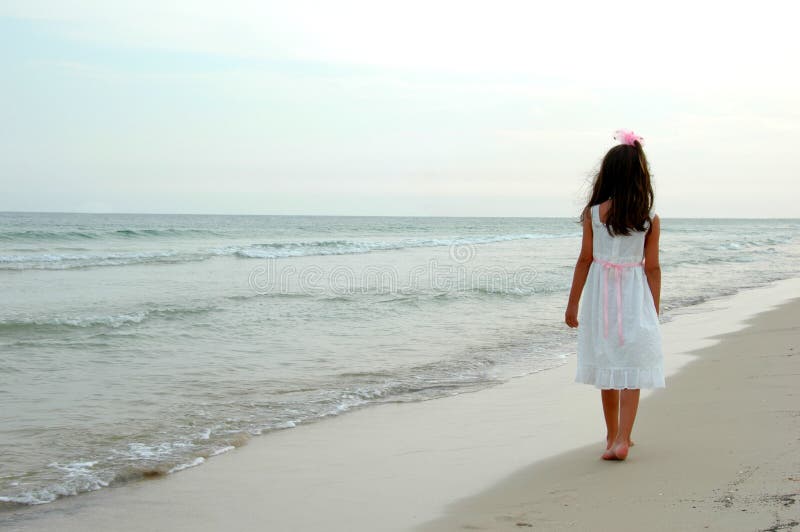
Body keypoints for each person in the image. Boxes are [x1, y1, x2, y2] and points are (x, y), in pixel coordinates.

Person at [564, 129, 664, 461]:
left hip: (601, 296)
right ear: (640, 176)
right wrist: (654, 308)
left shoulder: (594, 214)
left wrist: (573, 303)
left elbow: (584, 260)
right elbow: (652, 268)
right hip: (635, 293)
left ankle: (610, 437)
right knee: (632, 366)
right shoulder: (649, 219)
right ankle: (624, 437)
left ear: (607, 175)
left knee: (607, 361)